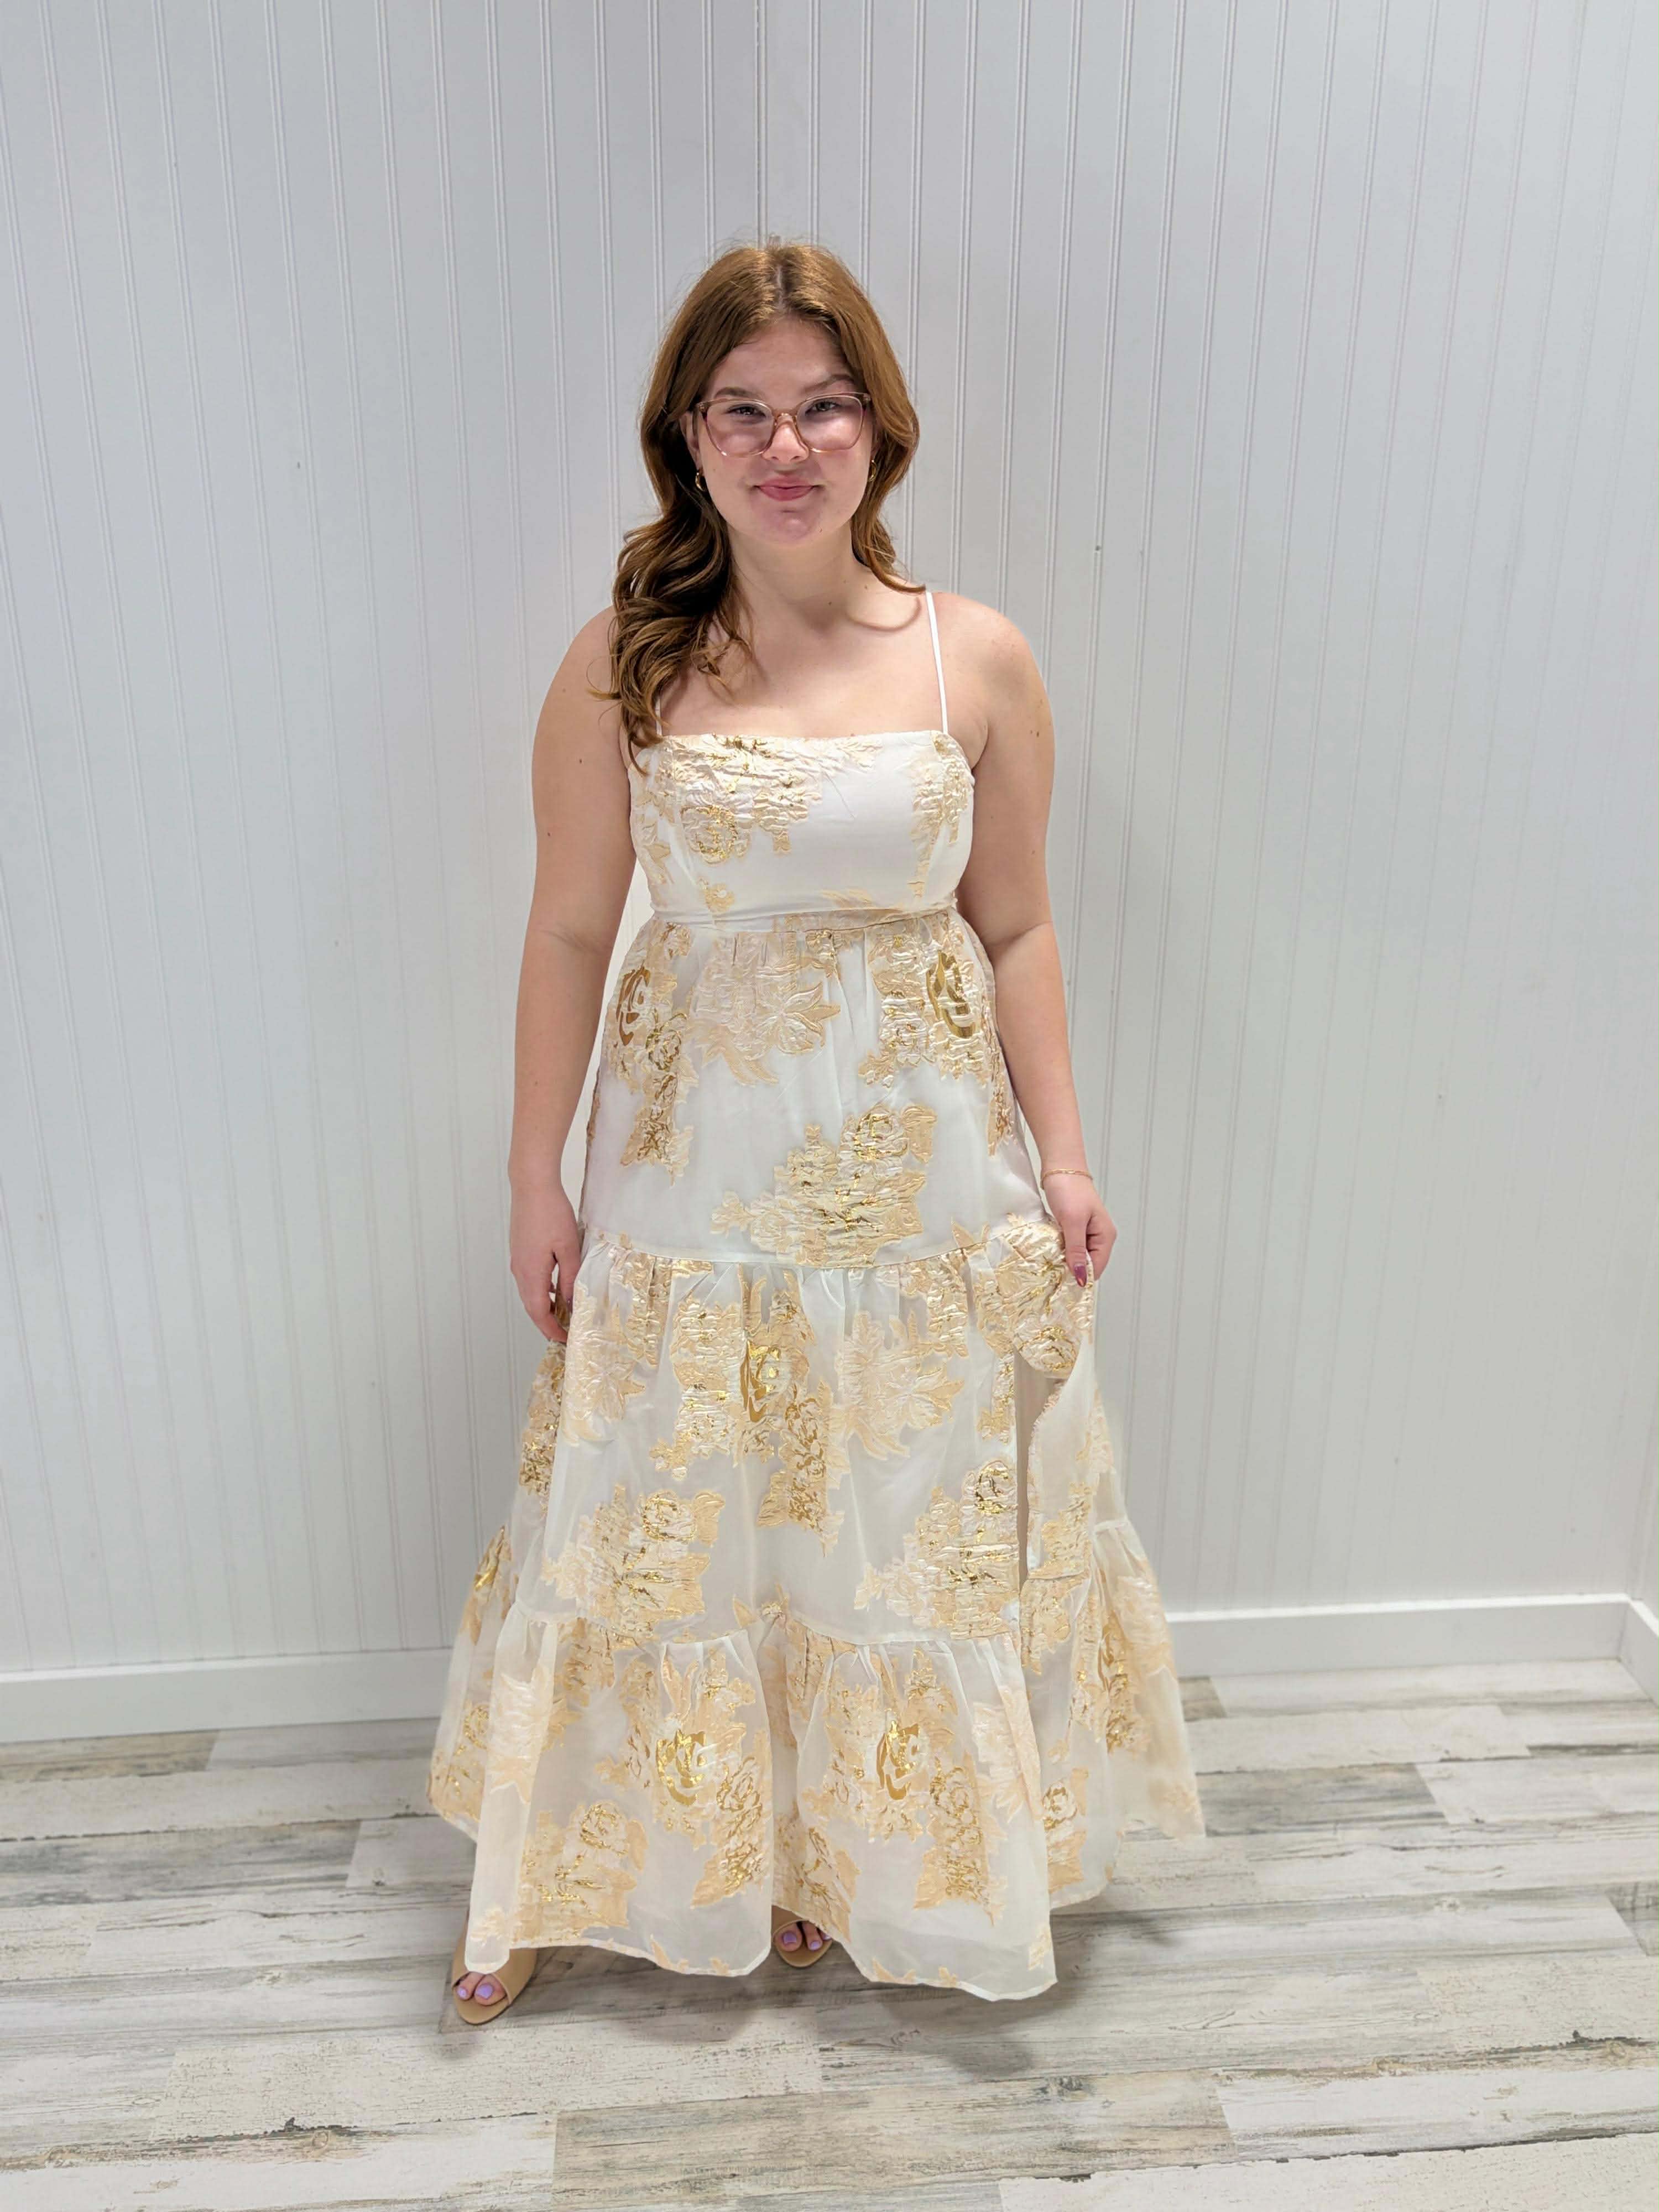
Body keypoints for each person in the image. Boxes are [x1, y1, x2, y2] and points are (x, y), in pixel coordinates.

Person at [428, 238, 1204, 2021]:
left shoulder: (972, 660)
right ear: (688, 439)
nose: (788, 447)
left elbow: (1018, 925)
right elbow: (567, 930)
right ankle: (568, 1870)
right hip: (691, 1178)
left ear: (880, 429)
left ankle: (840, 1865)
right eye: (745, 412)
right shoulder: (626, 662)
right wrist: (536, 1176)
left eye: (824, 407)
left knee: (884, 1527)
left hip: (921, 1183)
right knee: (663, 1513)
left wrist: (1066, 1159)